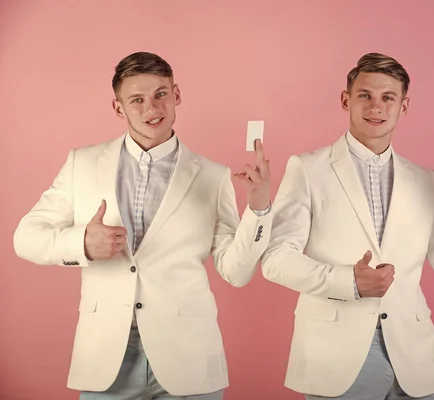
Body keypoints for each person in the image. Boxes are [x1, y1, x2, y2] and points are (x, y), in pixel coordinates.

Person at [13, 51, 273, 399]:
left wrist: (258, 209)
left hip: (189, 356)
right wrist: (83, 244)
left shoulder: (213, 175)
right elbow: (25, 238)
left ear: (176, 95)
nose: (152, 108)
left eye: (160, 94)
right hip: (106, 358)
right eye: (137, 99)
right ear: (118, 108)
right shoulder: (83, 163)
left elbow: (236, 272)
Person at [260, 52, 434, 400]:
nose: (376, 107)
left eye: (388, 97)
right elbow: (275, 259)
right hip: (336, 357)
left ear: (404, 106)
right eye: (365, 95)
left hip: (415, 356)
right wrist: (348, 281)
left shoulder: (424, 179)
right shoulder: (308, 169)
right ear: (346, 100)